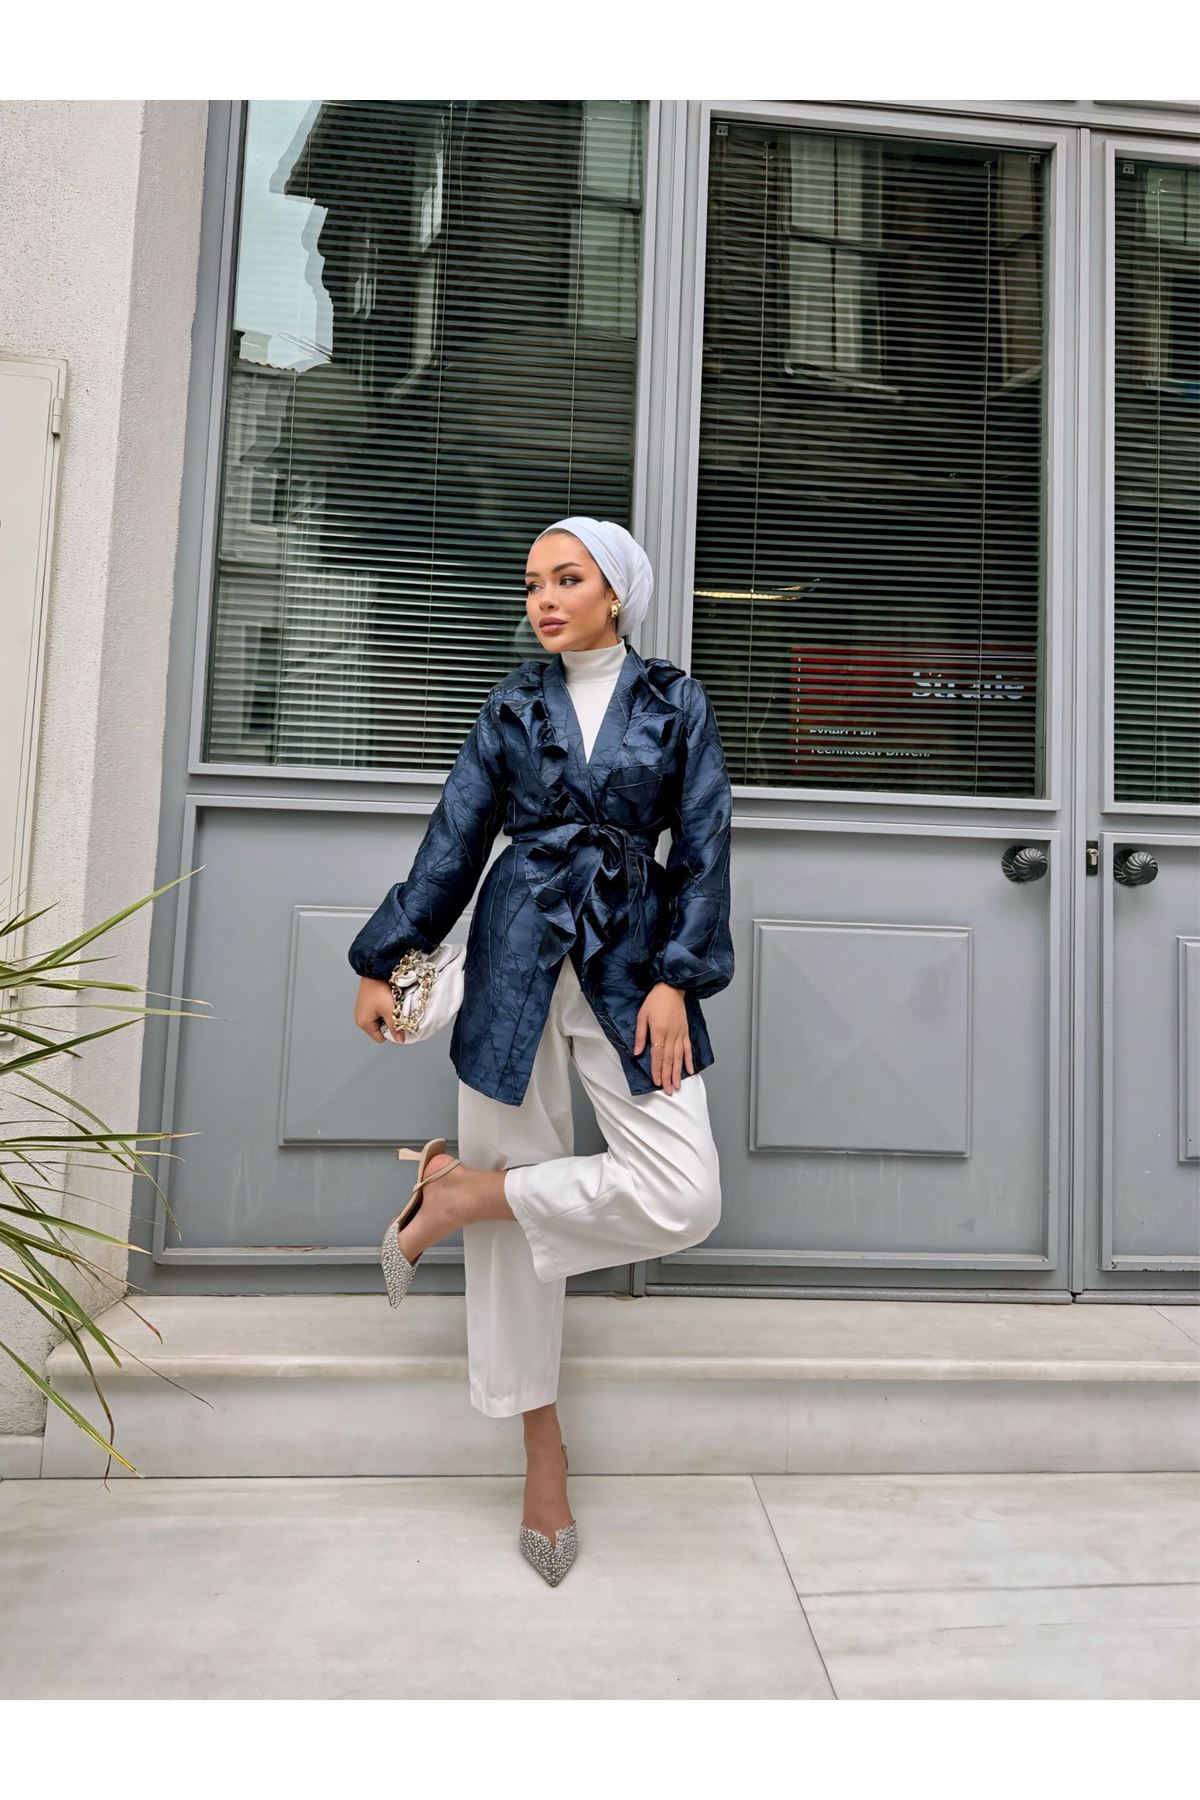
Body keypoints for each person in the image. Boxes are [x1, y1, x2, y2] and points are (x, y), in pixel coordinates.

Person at [349, 515, 735, 1585]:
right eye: (532, 585)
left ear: (616, 594)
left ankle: (462, 1195)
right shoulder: (513, 704)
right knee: (516, 1249)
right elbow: (456, 836)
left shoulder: (676, 703)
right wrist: (385, 955)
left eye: (567, 580)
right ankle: (541, 1454)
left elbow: (705, 847)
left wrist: (677, 979)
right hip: (513, 958)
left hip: (629, 969)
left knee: (684, 1194)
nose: (545, 600)